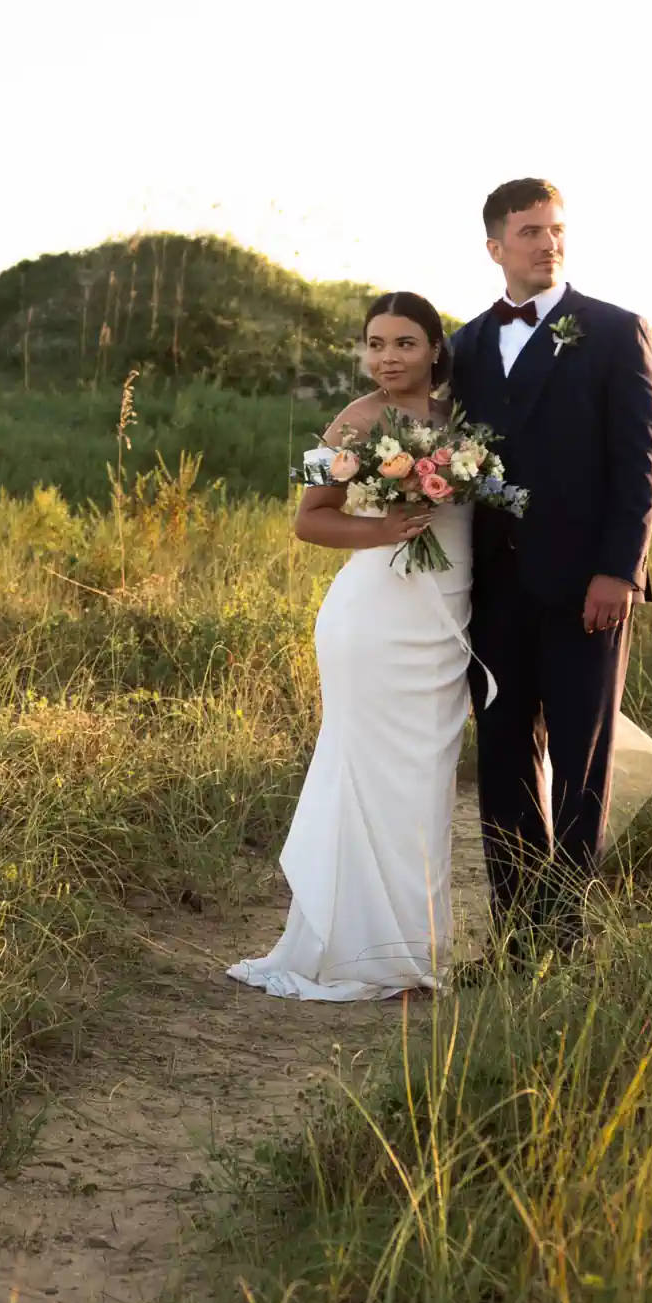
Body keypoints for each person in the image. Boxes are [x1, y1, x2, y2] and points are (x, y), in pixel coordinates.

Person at [227, 292, 481, 1002]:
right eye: (375, 344)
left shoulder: (463, 425)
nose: (387, 358)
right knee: (366, 774)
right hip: (373, 621)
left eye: (404, 343)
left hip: (443, 623)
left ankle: (412, 950)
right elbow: (308, 520)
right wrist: (384, 529)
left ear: (434, 348)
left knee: (426, 782)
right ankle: (359, 953)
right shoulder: (351, 420)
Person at [444, 178, 652, 963]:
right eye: (531, 231)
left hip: (585, 588)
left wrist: (620, 570)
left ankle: (564, 939)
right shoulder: (465, 345)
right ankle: (516, 937)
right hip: (491, 592)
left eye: (557, 229)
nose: (549, 243)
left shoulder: (613, 330)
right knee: (502, 759)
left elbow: (641, 462)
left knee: (580, 762)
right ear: (495, 246)